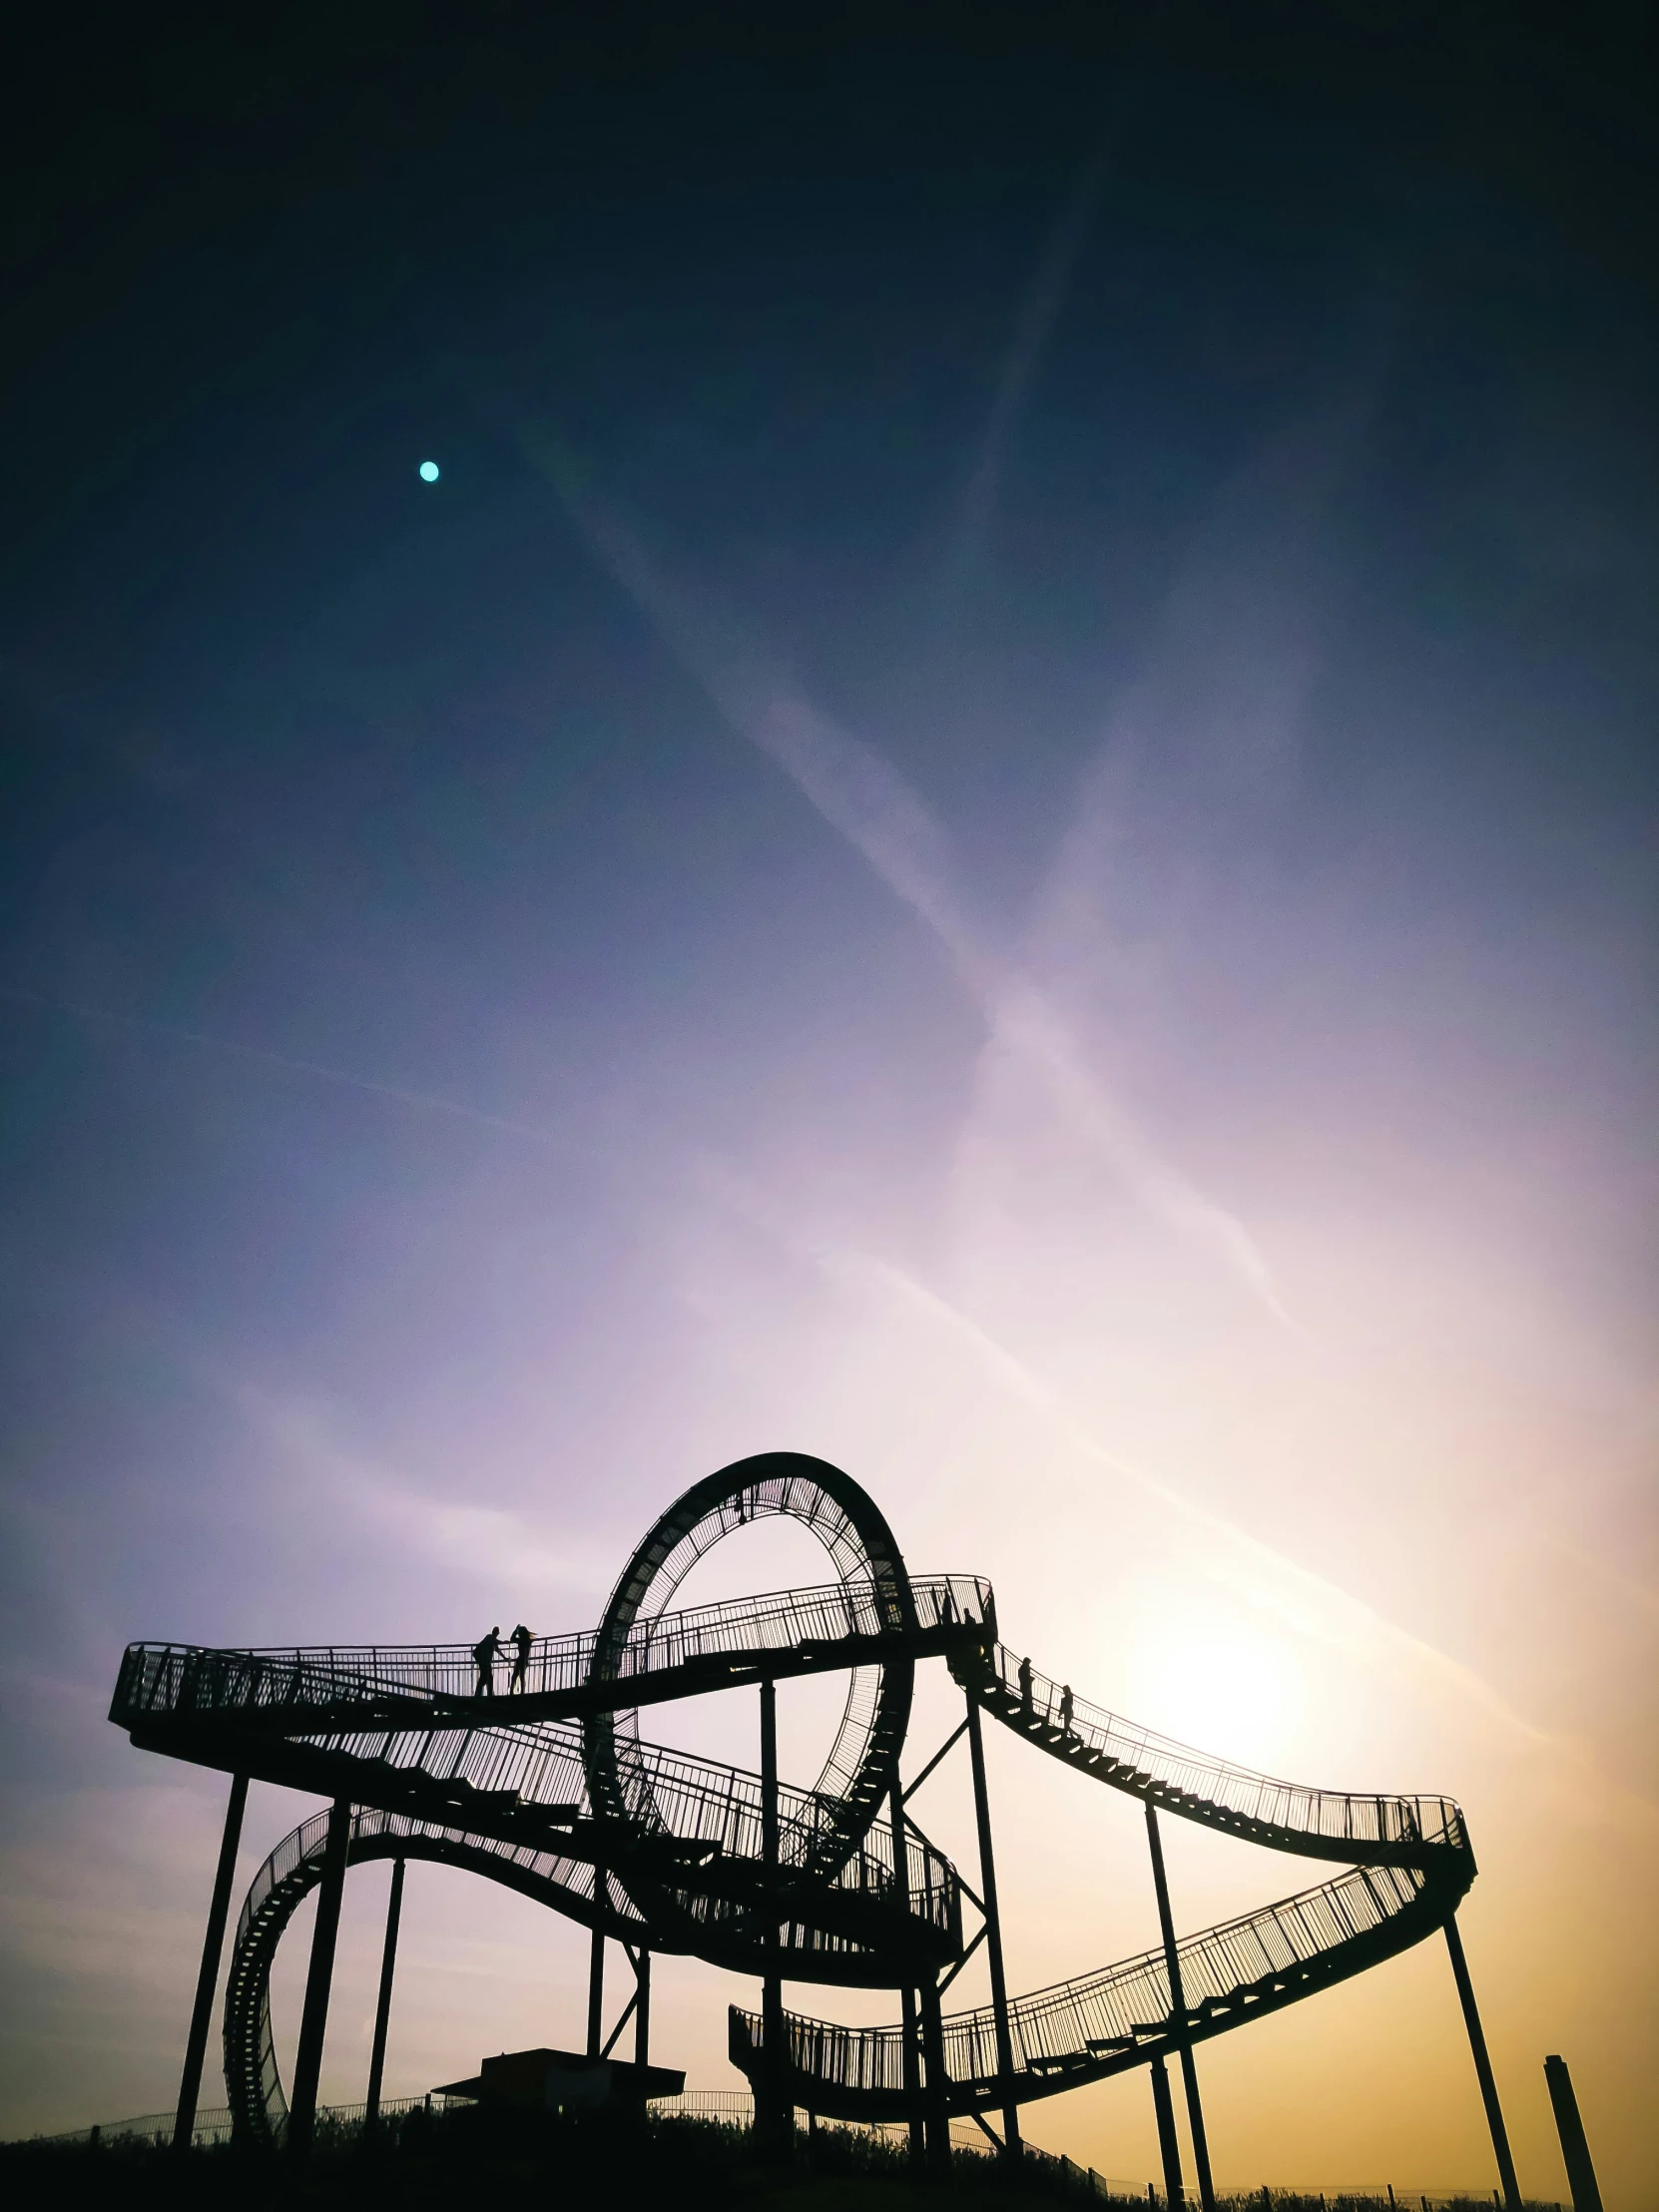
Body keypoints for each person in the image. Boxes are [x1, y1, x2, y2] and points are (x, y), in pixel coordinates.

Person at [472, 1625, 501, 1697]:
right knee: (485, 1678)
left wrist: (505, 1658)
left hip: (485, 1661)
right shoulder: (489, 1637)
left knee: (486, 1677)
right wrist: (503, 1642)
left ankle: (486, 1694)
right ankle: (484, 1694)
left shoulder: (492, 1640)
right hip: (484, 1661)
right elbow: (496, 1642)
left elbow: (497, 1650)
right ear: (496, 1633)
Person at [509, 1623, 533, 1693]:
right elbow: (512, 1639)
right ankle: (520, 1692)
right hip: (523, 1659)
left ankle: (513, 1692)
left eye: (519, 1632)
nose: (519, 1634)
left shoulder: (522, 1640)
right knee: (519, 1676)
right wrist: (516, 1631)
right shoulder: (528, 1640)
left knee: (516, 1676)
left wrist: (515, 1631)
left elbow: (512, 1639)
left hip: (522, 1659)